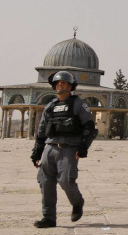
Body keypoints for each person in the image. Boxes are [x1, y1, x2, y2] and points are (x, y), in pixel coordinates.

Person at [30, 71, 97, 228]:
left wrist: (83, 148)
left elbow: (89, 127)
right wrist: (37, 153)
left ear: (70, 86)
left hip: (68, 148)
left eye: (64, 83)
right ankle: (49, 218)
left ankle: (77, 202)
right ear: (54, 86)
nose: (60, 85)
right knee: (45, 182)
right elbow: (41, 132)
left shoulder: (78, 104)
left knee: (66, 180)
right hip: (50, 148)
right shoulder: (50, 107)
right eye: (58, 83)